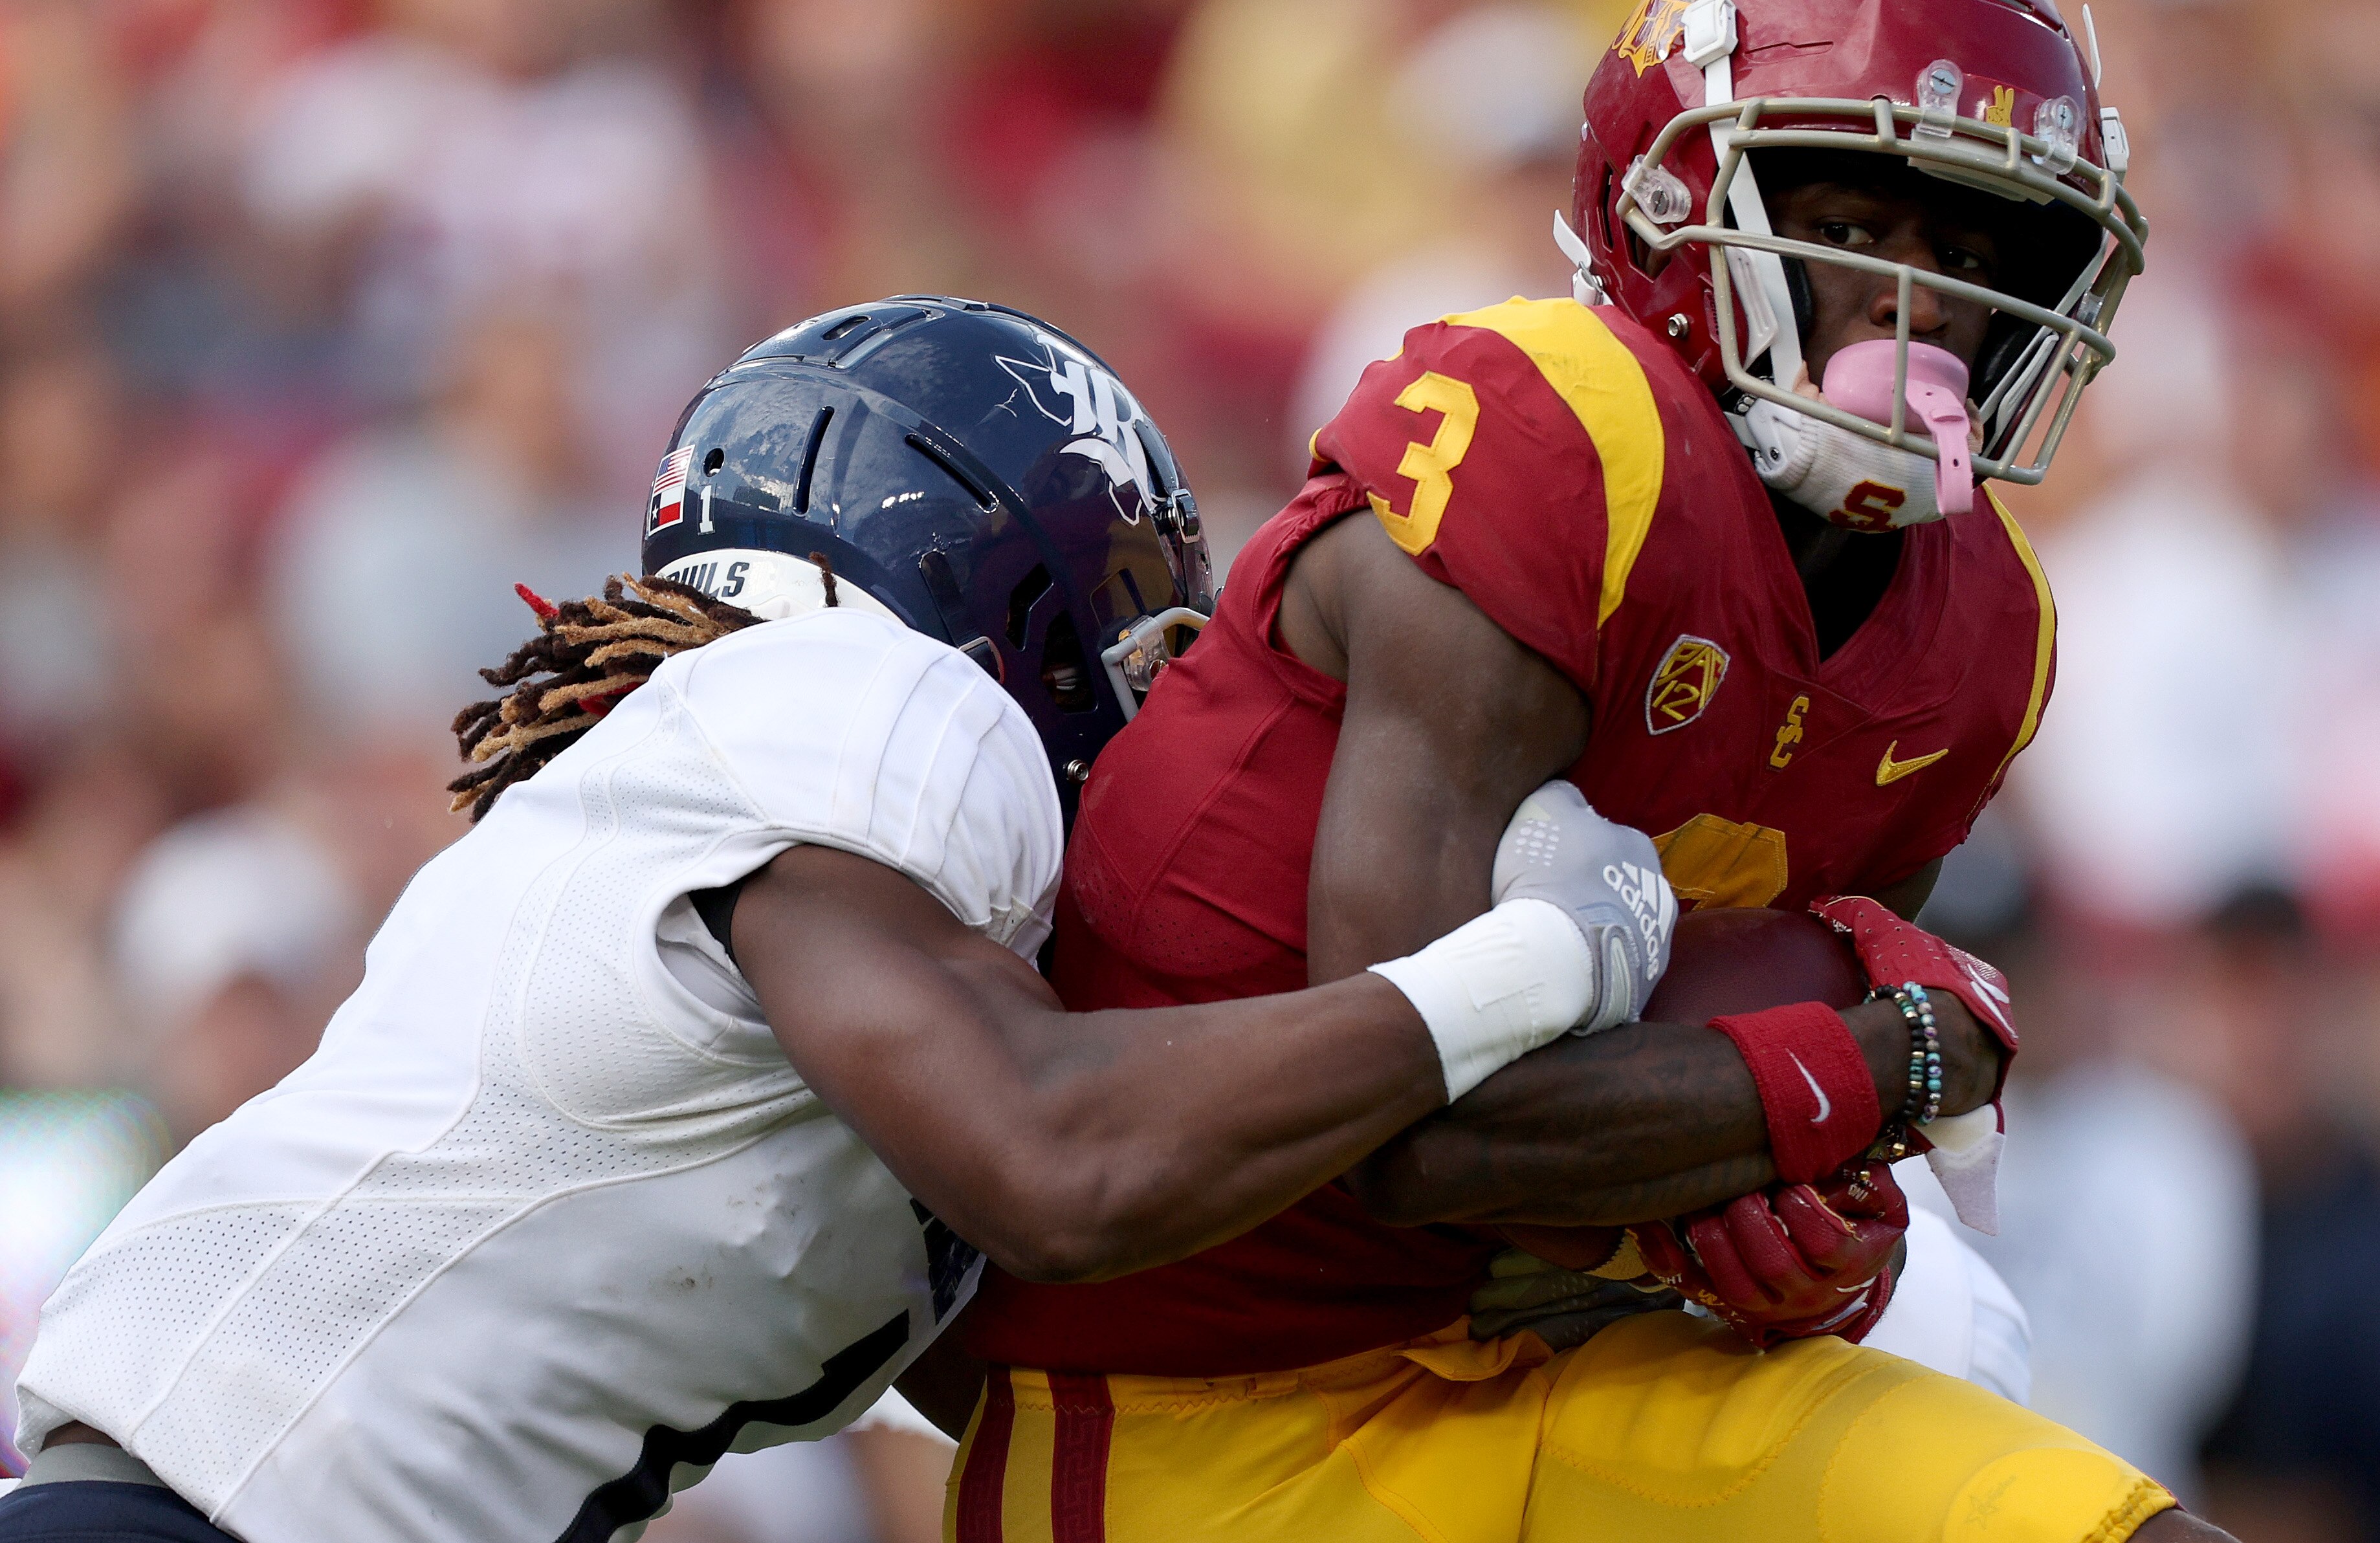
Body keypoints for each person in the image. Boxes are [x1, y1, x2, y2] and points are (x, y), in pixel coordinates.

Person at [956, 0, 2232, 1542]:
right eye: (1854, 227)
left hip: (1573, 1343)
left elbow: (1746, 1081)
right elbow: (1414, 1122)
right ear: (1674, 217)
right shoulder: (1560, 439)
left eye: (1976, 265)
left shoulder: (1985, 630)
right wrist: (1883, 1063)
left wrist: (1792, 1209)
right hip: (1211, 1390)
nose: (1920, 312)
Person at [0, 298, 1675, 1543]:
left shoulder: (772, 841)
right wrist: (1527, 967)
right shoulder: (857, 698)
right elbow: (1060, 1157)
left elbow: (1095, 1305)